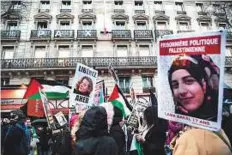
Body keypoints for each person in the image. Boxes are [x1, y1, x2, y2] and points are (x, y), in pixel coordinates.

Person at [168, 54, 219, 121]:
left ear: (205, 84)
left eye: (189, 81)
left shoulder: (227, 125)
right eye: (175, 85)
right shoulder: (171, 126)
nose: (181, 91)